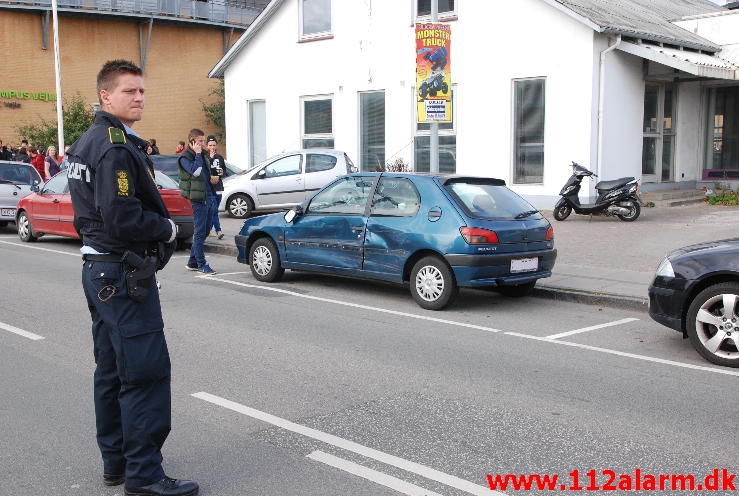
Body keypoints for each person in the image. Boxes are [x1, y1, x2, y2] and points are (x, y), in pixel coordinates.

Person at [66, 59, 198, 496]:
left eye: (141, 91)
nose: (139, 97)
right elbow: (121, 215)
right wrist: (167, 229)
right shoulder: (115, 146)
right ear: (106, 95)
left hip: (98, 267)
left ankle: (117, 463)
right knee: (144, 373)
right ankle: (144, 475)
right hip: (121, 272)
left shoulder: (87, 142)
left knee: (111, 370)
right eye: (129, 91)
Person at [178, 129, 218, 274]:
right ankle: (202, 264)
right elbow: (195, 172)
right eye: (200, 141)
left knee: (206, 230)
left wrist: (213, 179)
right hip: (197, 199)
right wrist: (199, 155)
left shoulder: (203, 155)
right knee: (200, 232)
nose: (203, 144)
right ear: (192, 142)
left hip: (208, 196)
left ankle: (192, 262)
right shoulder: (185, 157)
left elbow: (204, 175)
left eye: (203, 141)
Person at [206, 135, 225, 239]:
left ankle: (208, 230)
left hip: (219, 187)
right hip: (210, 188)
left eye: (214, 145)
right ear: (206, 146)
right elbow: (205, 170)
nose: (212, 147)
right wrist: (211, 158)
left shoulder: (220, 157)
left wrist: (220, 174)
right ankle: (218, 230)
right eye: (210, 145)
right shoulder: (205, 157)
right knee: (214, 211)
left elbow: (224, 170)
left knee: (214, 210)